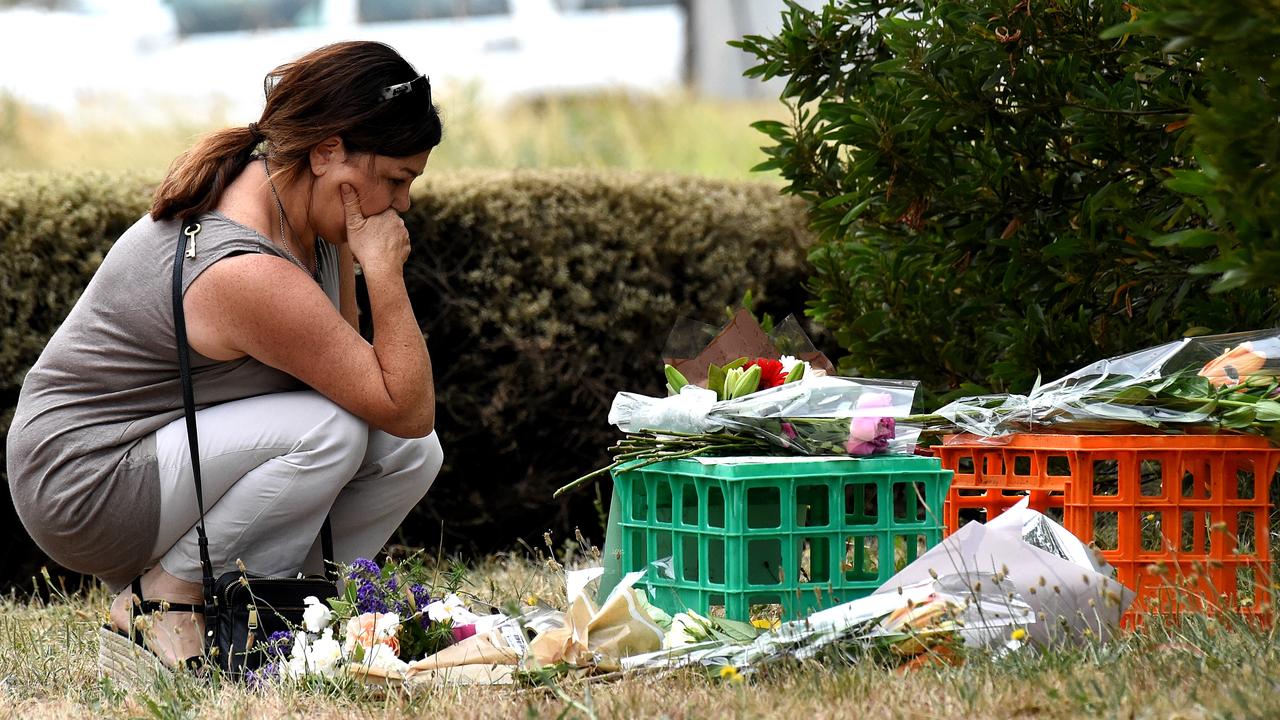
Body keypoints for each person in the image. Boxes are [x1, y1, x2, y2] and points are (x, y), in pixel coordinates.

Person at [5, 41, 443, 668]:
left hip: (157, 460)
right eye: (396, 180)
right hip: (82, 479)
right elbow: (403, 404)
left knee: (409, 455)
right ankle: (166, 599)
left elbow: (371, 393)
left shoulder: (302, 213)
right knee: (336, 432)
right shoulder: (243, 265)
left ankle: (290, 613)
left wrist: (350, 254)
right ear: (327, 151)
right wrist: (385, 273)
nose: (402, 204)